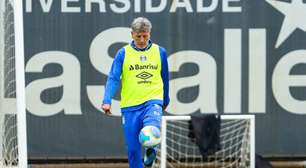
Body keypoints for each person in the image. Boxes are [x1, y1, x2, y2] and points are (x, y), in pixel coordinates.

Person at [101, 17, 170, 168]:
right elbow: (113, 78)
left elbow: (165, 78)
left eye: (145, 35)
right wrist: (107, 99)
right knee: (133, 151)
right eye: (138, 36)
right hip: (130, 105)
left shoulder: (160, 52)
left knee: (151, 129)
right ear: (132, 34)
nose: (142, 39)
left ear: (150, 34)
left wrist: (165, 100)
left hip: (153, 100)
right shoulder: (123, 53)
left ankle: (151, 149)